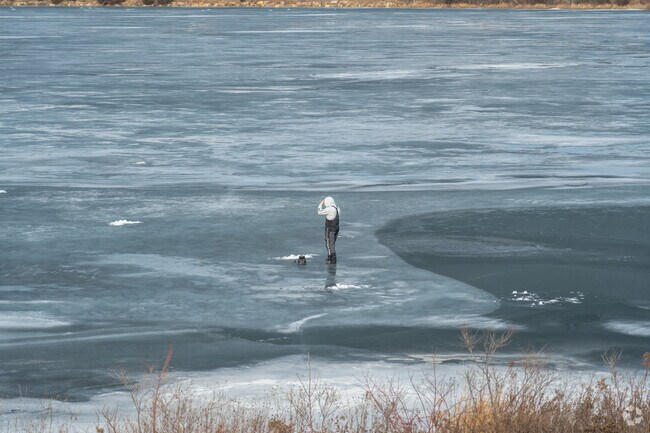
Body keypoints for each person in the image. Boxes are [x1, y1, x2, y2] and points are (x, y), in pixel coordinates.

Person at [317, 196, 339, 264]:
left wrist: (321, 203)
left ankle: (332, 259)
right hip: (336, 228)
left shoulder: (330, 209)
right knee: (332, 244)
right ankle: (331, 257)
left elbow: (319, 212)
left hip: (330, 229)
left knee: (329, 244)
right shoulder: (336, 208)